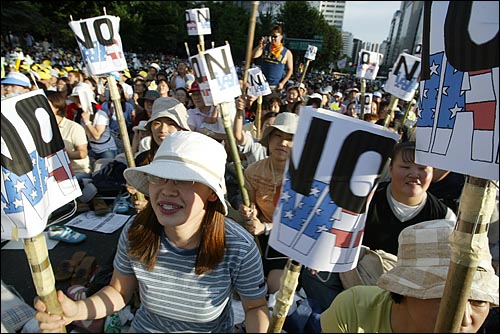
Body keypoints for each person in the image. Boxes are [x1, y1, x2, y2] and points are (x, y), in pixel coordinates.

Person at [34, 131, 270, 333]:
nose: (167, 190)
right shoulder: (136, 229)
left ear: (211, 193)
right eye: (160, 178)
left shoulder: (239, 246)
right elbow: (118, 292)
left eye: (183, 180)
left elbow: (254, 307)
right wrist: (76, 310)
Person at [301, 140, 457, 314]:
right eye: (405, 167)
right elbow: (334, 233)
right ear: (390, 169)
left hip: (406, 293)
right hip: (355, 279)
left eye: (422, 169)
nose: (414, 174)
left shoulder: (444, 218)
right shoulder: (363, 199)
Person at [320, 218, 499, 333]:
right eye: (446, 299)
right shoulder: (355, 312)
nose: (465, 319)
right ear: (404, 291)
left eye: (479, 302)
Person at [238, 112, 299, 294]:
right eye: (278, 136)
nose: (283, 143)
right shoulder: (253, 170)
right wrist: (249, 211)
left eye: (290, 139)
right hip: (258, 236)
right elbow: (250, 201)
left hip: (290, 240)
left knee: (276, 287)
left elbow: (298, 220)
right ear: (269, 139)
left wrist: (265, 227)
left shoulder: (303, 177)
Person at [128, 97, 191, 213]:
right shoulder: (142, 160)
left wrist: (151, 207)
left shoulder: (191, 162)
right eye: (157, 123)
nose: (163, 130)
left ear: (181, 129)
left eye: (171, 124)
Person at [252, 25, 293, 95]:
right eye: (271, 36)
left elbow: (290, 70)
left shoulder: (287, 52)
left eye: (275, 36)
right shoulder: (265, 47)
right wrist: (260, 46)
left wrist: (282, 83)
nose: (273, 39)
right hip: (261, 84)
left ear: (281, 37)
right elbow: (254, 56)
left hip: (275, 86)